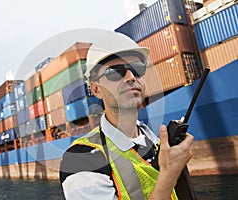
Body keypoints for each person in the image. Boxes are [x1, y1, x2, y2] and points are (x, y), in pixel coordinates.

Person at [59, 30, 194, 200]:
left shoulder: (156, 142)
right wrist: (168, 175)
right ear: (96, 90)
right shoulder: (81, 159)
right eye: (114, 71)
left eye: (137, 69)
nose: (130, 77)